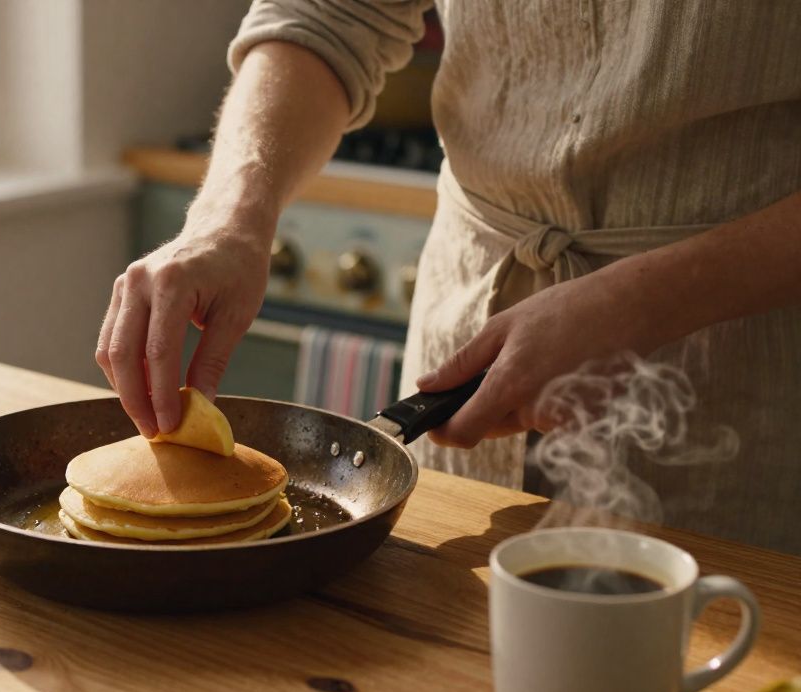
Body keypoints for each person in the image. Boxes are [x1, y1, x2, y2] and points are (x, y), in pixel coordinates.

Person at [95, 1, 801, 553]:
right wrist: (230, 213)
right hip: (473, 303)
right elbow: (328, 13)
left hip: (741, 359)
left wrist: (639, 300)